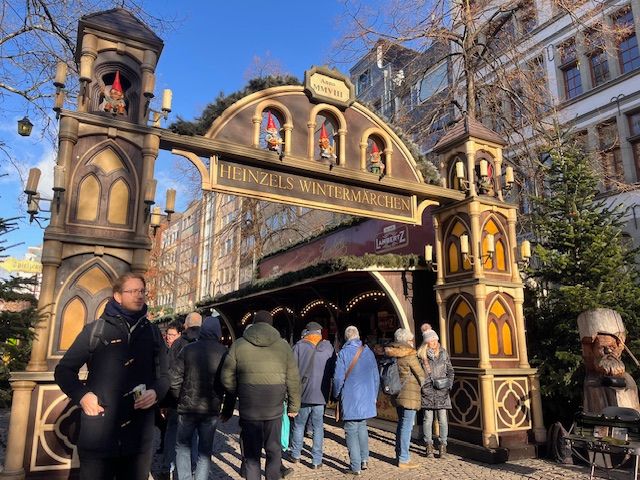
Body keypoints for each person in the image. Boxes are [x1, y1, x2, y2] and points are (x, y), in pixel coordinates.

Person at [54, 273, 168, 480]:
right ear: (117, 296)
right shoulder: (95, 330)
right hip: (99, 433)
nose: (139, 295)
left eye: (142, 291)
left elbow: (165, 376)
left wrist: (155, 392)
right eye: (132, 291)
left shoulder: (152, 333)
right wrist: (83, 395)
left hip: (138, 437)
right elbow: (63, 371)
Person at [221, 310, 300, 480]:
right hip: (275, 407)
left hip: (250, 407)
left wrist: (239, 391)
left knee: (251, 456)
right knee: (273, 451)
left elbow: (226, 376)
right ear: (271, 325)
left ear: (254, 324)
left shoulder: (239, 345)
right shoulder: (284, 346)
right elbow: (293, 378)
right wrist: (294, 406)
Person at [170, 316, 234, 480]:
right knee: (204, 451)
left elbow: (175, 379)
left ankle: (184, 478)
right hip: (210, 409)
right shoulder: (224, 353)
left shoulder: (188, 349)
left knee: (182, 446)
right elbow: (231, 385)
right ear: (218, 333)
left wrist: (179, 398)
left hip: (187, 408)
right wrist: (227, 409)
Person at [286, 321, 336, 469]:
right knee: (318, 427)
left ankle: (295, 454)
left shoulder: (298, 347)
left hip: (303, 394)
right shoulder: (328, 347)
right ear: (320, 333)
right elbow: (334, 370)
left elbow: (290, 371)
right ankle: (316, 460)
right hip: (321, 394)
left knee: (299, 425)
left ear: (307, 333)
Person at [332, 326, 379, 476]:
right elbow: (376, 377)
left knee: (351, 430)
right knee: (362, 427)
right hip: (366, 396)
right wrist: (374, 395)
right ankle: (365, 459)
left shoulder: (344, 354)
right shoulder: (369, 352)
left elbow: (338, 378)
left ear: (346, 338)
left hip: (350, 397)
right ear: (358, 336)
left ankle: (355, 466)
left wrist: (336, 394)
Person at [162, 313, 201, 479]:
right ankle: (193, 470)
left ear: (185, 326)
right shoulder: (205, 344)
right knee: (194, 437)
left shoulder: (178, 345)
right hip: (198, 402)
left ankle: (167, 468)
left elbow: (169, 374)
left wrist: (168, 400)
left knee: (172, 434)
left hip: (177, 401)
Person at [384, 328, 425, 469]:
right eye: (410, 339)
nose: (412, 342)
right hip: (410, 395)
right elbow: (421, 375)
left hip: (397, 393)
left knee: (401, 425)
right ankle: (404, 458)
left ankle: (399, 455)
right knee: (407, 426)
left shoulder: (392, 353)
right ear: (406, 341)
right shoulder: (409, 354)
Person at [417, 329, 454, 458]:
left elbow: (450, 370)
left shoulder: (443, 353)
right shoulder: (421, 355)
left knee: (443, 420)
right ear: (426, 342)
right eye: (430, 340)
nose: (433, 342)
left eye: (434, 339)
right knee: (428, 419)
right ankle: (429, 445)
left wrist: (449, 385)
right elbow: (419, 375)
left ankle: (443, 445)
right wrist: (424, 387)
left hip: (442, 392)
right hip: (427, 392)